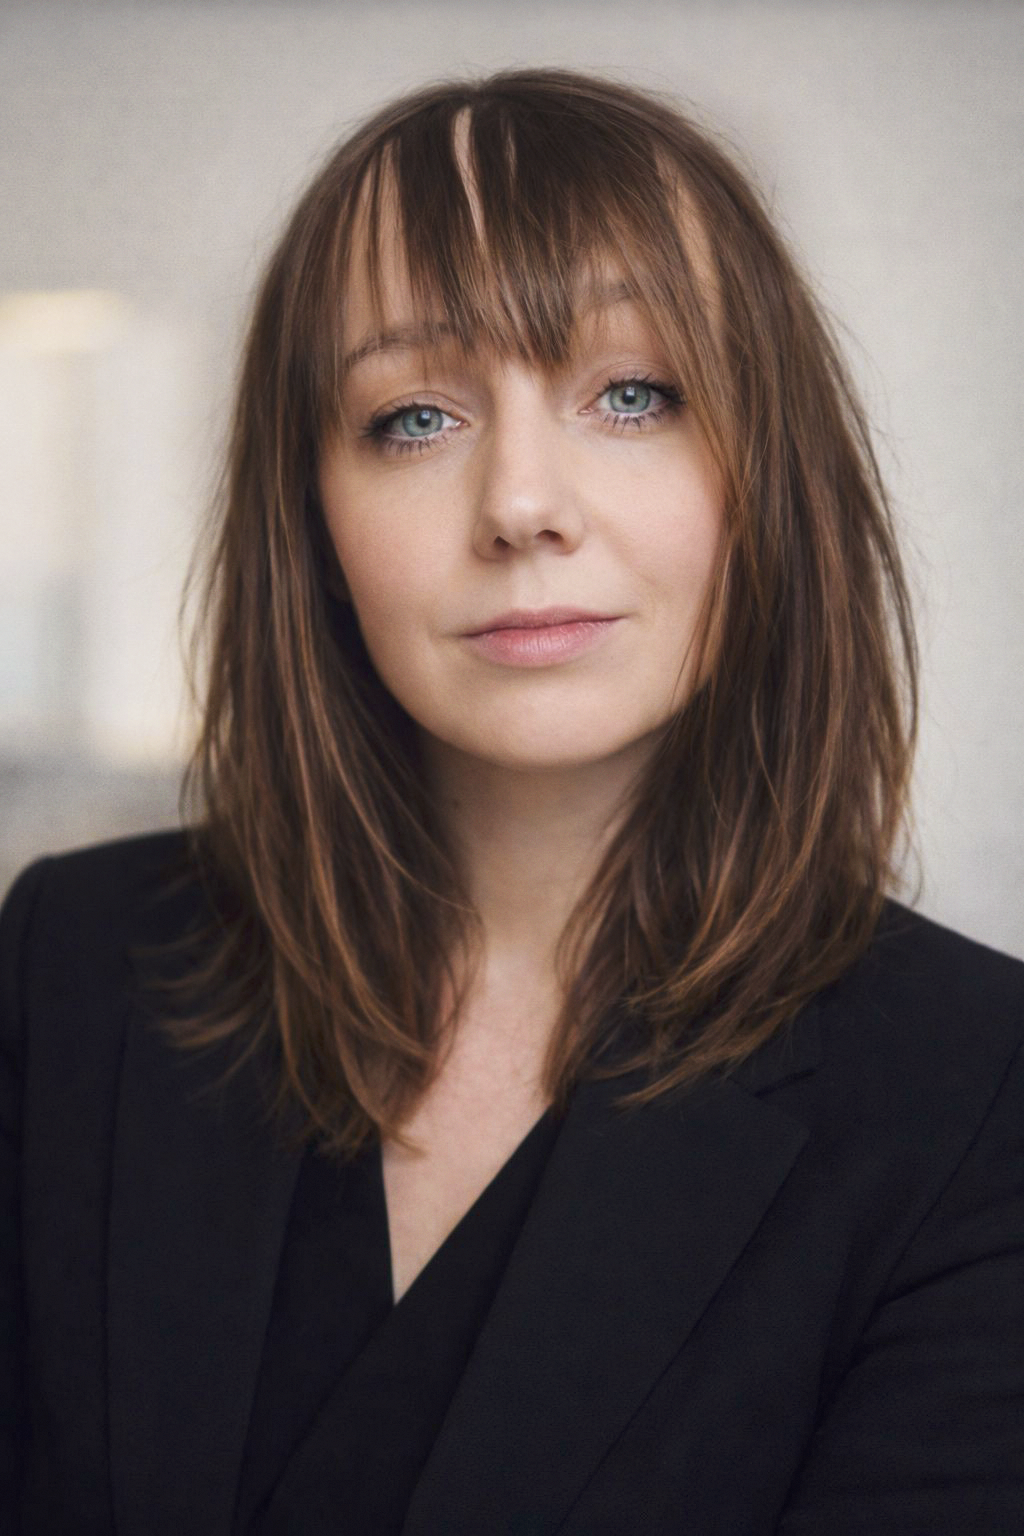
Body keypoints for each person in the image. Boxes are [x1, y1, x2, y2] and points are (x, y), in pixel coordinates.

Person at [1, 67, 1022, 1536]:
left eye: (633, 393)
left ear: (768, 478)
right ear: (313, 518)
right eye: (415, 416)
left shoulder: (978, 1095)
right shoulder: (73, 964)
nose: (522, 503)